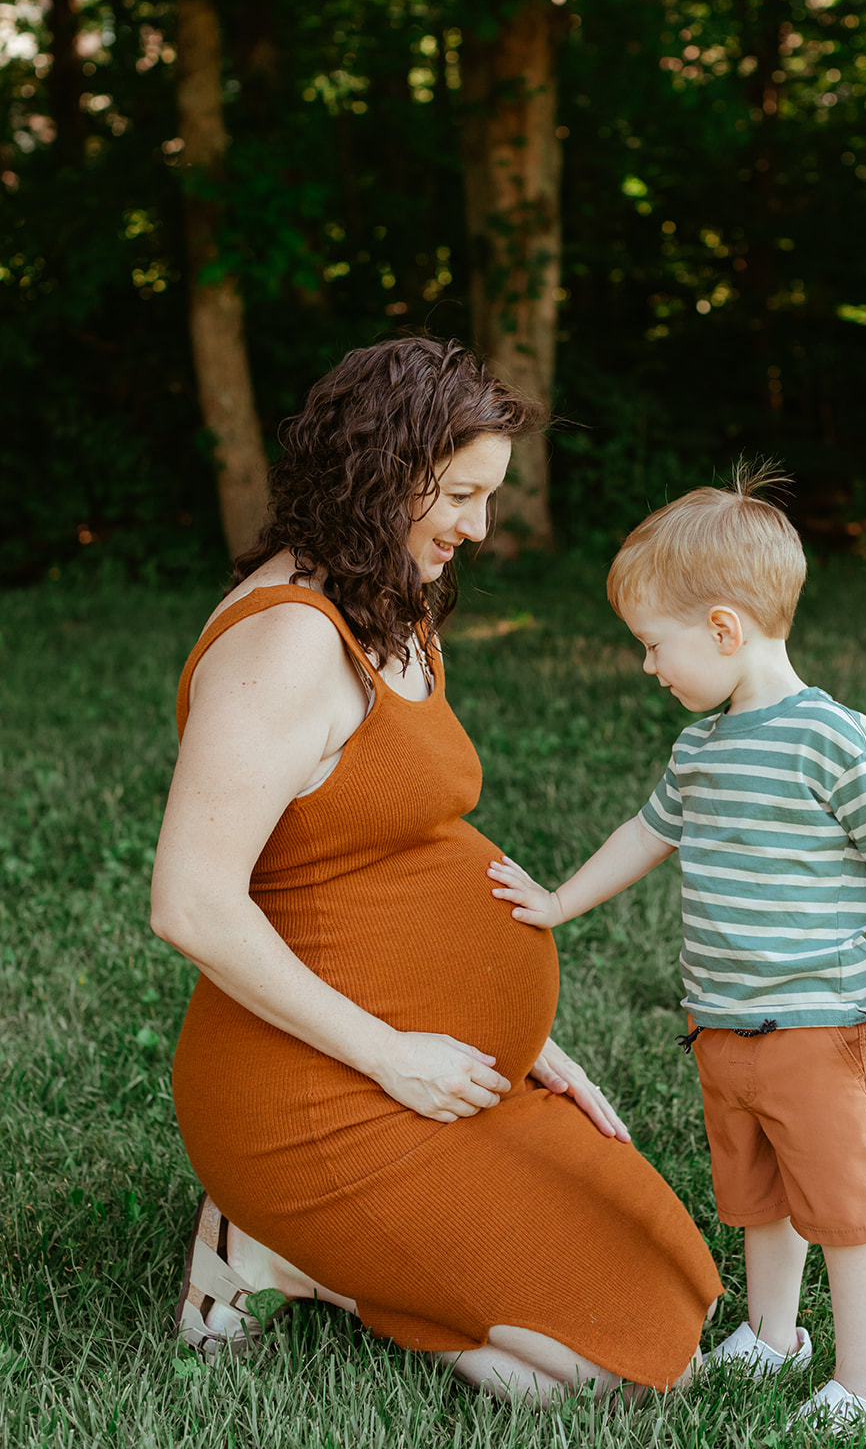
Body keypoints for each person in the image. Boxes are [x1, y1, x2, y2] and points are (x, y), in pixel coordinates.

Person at [150, 335, 723, 1404]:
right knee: (614, 1375)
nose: (478, 526)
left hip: (441, 1068)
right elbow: (190, 904)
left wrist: (524, 1040)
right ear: (378, 471)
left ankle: (325, 1248)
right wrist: (391, 1055)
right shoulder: (286, 646)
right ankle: (284, 1251)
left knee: (675, 1287)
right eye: (458, 493)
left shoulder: (389, 598)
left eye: (487, 495)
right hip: (321, 1097)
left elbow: (387, 848)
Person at [488, 466, 866, 1432]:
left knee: (848, 1215)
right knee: (757, 1199)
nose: (650, 667)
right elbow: (647, 835)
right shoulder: (699, 751)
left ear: (725, 630)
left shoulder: (831, 738)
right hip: (724, 1027)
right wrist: (559, 901)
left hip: (821, 1026)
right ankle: (775, 1334)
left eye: (656, 647)